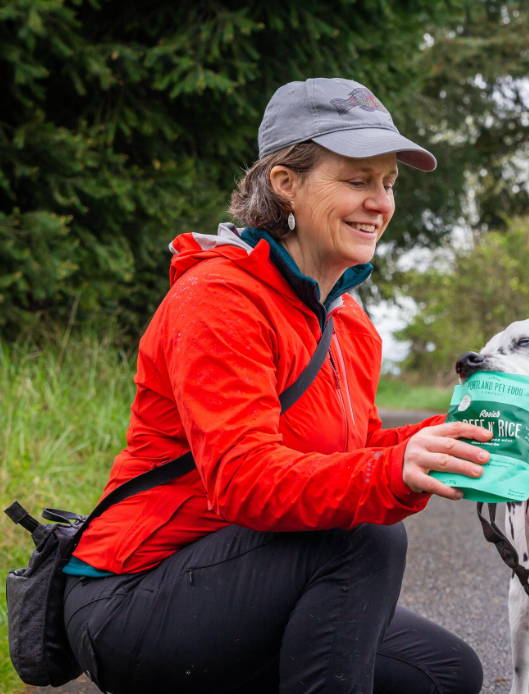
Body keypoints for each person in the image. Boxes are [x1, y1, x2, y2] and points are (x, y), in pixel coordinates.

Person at [63, 77, 493, 694]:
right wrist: (391, 471)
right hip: (133, 599)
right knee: (364, 541)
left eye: (388, 183)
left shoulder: (349, 319)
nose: (380, 202)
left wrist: (463, 439)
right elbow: (246, 483)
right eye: (356, 180)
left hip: (247, 581)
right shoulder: (217, 299)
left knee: (445, 674)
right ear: (284, 183)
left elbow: (358, 452)